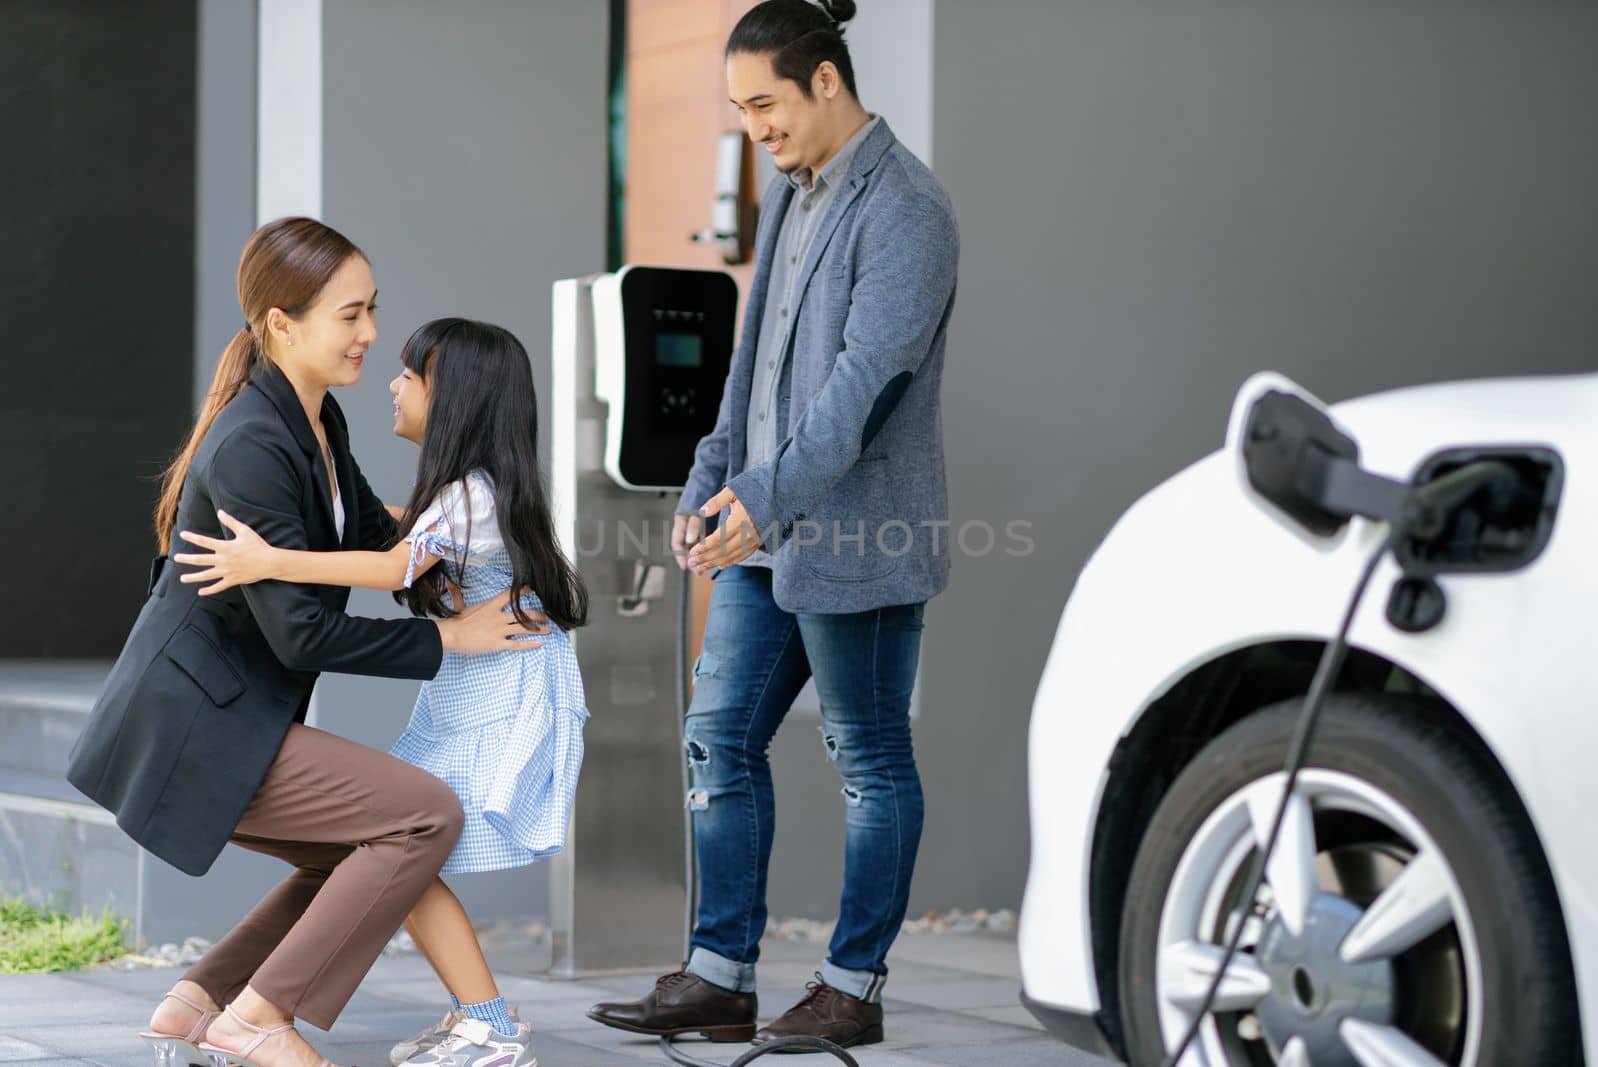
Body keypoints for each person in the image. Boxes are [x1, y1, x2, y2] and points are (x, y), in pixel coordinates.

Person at [66, 218, 546, 1067]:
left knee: (367, 847)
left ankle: (200, 1000)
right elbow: (302, 633)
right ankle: (258, 1016)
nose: (369, 334)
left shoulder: (316, 422)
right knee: (423, 814)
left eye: (372, 310)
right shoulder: (253, 443)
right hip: (196, 727)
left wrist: (485, 534)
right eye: (350, 315)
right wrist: (452, 639)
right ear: (283, 324)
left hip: (228, 717)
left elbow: (375, 534)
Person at [587, 0, 959, 1051]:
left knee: (867, 756)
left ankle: (852, 983)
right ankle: (719, 972)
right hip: (762, 525)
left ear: (825, 83)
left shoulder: (908, 210)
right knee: (718, 741)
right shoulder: (795, 197)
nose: (753, 127)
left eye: (765, 104)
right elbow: (748, 367)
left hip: (856, 536)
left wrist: (761, 500)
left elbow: (862, 390)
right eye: (739, 107)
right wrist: (710, 478)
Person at [173, 318, 589, 1067]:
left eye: (411, 373)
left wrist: (271, 558)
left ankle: (487, 1024)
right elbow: (401, 541)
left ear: (455, 398)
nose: (393, 383)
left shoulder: (470, 497)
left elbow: (394, 567)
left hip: (499, 691)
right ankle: (477, 1017)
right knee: (403, 840)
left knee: (406, 837)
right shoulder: (468, 495)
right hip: (480, 687)